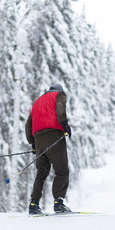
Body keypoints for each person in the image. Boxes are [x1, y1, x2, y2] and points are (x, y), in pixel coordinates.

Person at [25, 84, 72, 214]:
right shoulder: (59, 95)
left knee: (41, 172)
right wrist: (65, 124)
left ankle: (33, 204)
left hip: (39, 138)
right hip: (54, 134)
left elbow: (29, 123)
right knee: (62, 171)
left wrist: (33, 143)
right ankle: (59, 202)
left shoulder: (38, 102)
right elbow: (60, 108)